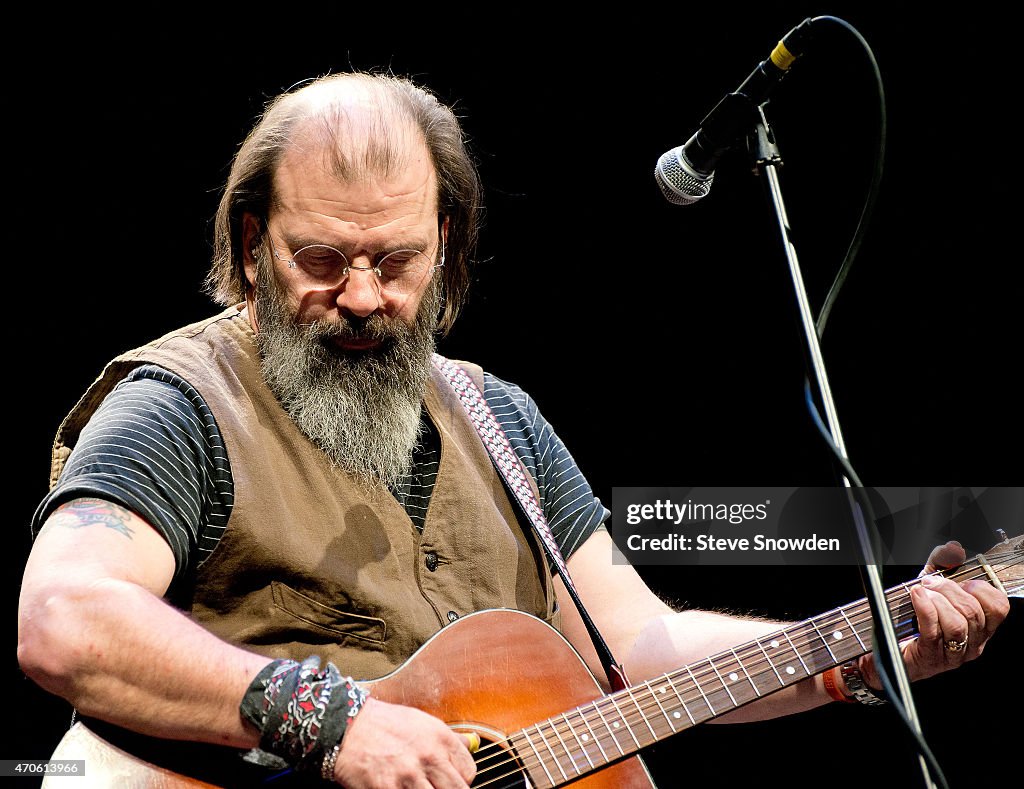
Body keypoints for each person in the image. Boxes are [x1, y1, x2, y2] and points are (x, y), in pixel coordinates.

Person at [17, 71, 1010, 788]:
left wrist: (855, 653)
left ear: (446, 243)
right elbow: (66, 617)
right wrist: (328, 720)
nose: (362, 297)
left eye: (396, 262)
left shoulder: (501, 419)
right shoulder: (180, 405)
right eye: (322, 257)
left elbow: (641, 645)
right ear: (251, 243)